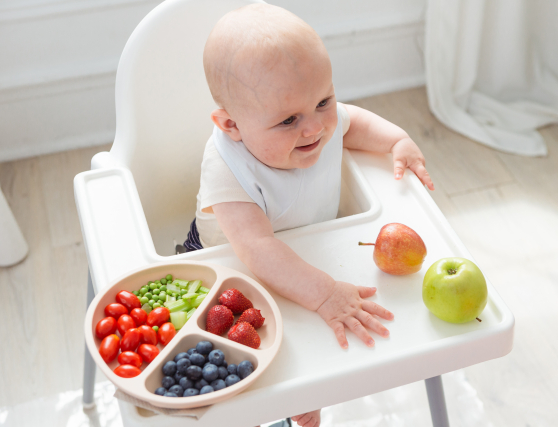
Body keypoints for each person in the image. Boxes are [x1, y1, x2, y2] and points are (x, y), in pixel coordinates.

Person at [184, 4, 435, 426]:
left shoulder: (318, 122)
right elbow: (258, 249)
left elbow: (353, 123)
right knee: (254, 347)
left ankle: (307, 390)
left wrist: (398, 140)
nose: (315, 128)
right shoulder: (226, 167)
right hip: (234, 273)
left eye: (323, 101)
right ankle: (282, 400)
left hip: (309, 249)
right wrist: (323, 294)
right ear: (231, 126)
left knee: (325, 330)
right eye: (288, 120)